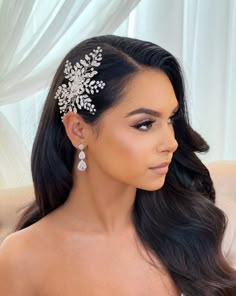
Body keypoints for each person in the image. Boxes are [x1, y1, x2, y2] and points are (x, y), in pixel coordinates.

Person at [0, 35, 235, 296]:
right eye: (144, 124)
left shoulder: (187, 230)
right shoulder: (22, 259)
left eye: (170, 120)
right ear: (78, 129)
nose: (171, 143)